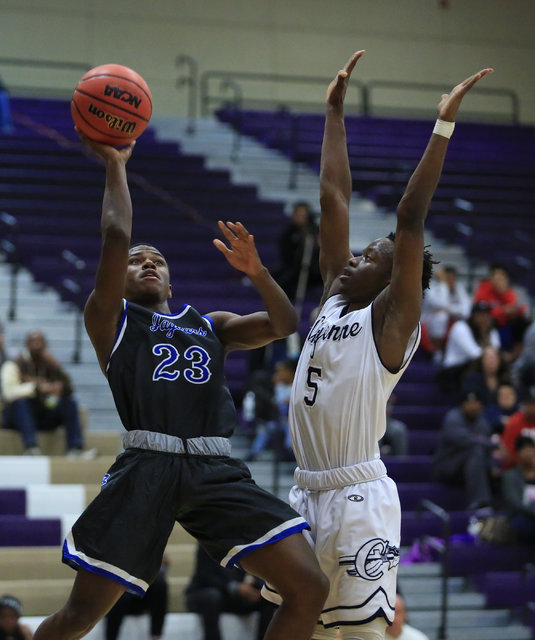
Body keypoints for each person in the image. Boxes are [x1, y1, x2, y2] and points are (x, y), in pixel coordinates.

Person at [32, 132, 328, 640]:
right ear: (117, 280)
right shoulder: (110, 319)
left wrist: (257, 272)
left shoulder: (209, 323)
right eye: (136, 261)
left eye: (157, 260)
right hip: (148, 464)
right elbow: (115, 236)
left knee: (309, 586)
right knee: (80, 616)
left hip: (213, 466)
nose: (146, 262)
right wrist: (116, 166)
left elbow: (282, 323)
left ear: (170, 283)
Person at [261, 50, 493, 640]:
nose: (357, 256)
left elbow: (410, 218)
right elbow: (333, 197)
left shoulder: (392, 324)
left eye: (372, 257)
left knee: (363, 635)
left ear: (396, 283)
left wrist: (443, 123)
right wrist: (334, 113)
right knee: (302, 624)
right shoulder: (338, 297)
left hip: (357, 495)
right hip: (306, 487)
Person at [0, 331, 89, 456]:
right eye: (34, 342)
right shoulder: (14, 364)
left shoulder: (50, 364)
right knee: (20, 403)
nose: (37, 345)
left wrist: (57, 386)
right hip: (16, 418)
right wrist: (37, 388)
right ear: (27, 345)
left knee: (69, 403)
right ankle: (31, 447)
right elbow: (9, 393)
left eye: (40, 342)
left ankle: (75, 448)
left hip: (43, 415)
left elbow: (69, 388)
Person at [186, 543, 277, 640]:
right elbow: (205, 576)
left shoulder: (243, 542)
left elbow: (257, 568)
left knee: (267, 596)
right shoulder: (207, 540)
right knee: (212, 596)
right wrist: (235, 587)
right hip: (205, 592)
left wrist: (256, 586)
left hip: (231, 596)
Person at [433, 389, 499, 511]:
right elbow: (465, 440)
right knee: (476, 450)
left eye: (476, 403)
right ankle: (480, 502)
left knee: (491, 462)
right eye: (470, 403)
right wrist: (490, 443)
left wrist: (493, 467)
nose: (473, 406)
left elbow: (486, 449)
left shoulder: (482, 422)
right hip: (448, 466)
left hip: (469, 468)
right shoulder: (453, 417)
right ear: (463, 404)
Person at [438, 301, 501, 393]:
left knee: (497, 365)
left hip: (475, 366)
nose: (484, 318)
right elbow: (474, 354)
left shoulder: (490, 330)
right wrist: (486, 342)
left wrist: (486, 338)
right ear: (473, 316)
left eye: (486, 315)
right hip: (454, 370)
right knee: (482, 366)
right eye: (480, 315)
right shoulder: (460, 327)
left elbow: (496, 352)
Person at [246, 358, 297, 462]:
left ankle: (296, 461)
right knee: (264, 429)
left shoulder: (297, 385)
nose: (279, 374)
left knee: (289, 444)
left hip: (292, 422)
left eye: (282, 371)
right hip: (279, 420)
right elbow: (272, 396)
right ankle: (254, 453)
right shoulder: (278, 385)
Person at [473, 262, 529, 354]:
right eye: (496, 277)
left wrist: (503, 294)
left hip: (504, 324)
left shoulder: (507, 292)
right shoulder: (484, 288)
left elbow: (520, 309)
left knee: (521, 323)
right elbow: (480, 311)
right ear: (491, 278)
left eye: (501, 278)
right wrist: (502, 310)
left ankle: (517, 354)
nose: (498, 280)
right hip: (489, 324)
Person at [105, 561, 168, 640]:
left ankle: (156, 635)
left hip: (141, 593)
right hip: (119, 590)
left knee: (159, 583)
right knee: (117, 588)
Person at [273, 201, 322, 301]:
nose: (300, 217)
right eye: (297, 214)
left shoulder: (317, 231)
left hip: (315, 269)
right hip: (295, 269)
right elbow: (286, 254)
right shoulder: (288, 233)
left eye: (303, 214)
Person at [421, 264, 471, 356]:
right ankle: (437, 350)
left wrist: (448, 309)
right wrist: (443, 284)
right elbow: (440, 303)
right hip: (428, 322)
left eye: (453, 278)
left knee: (458, 323)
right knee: (441, 317)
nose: (451, 281)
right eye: (448, 278)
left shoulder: (459, 288)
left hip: (451, 321)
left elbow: (466, 311)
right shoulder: (432, 287)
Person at [501, 434, 535, 545]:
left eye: (532, 449)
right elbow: (514, 503)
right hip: (520, 517)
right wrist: (532, 511)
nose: (530, 453)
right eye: (526, 449)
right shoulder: (510, 476)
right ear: (518, 453)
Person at [501, 391, 535, 470]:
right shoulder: (514, 423)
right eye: (531, 404)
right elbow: (508, 452)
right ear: (525, 405)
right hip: (518, 467)